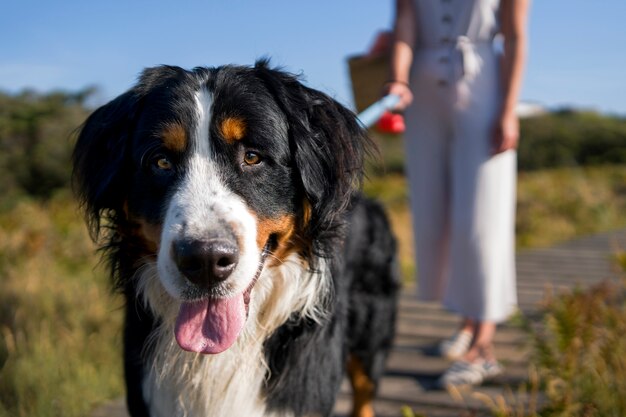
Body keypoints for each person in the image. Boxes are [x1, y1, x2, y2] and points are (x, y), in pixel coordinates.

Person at [385, 0, 529, 387]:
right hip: (422, 96)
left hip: (484, 88)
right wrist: (397, 78)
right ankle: (468, 324)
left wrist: (509, 109)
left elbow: (515, 36)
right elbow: (404, 29)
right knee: (434, 215)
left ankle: (483, 347)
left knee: (482, 219)